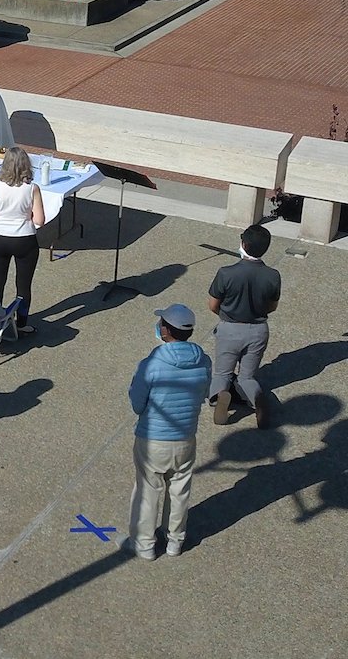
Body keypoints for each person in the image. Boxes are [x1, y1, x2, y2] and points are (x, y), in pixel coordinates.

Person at [126, 304, 211, 560]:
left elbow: (136, 403)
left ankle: (144, 546)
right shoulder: (203, 359)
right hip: (186, 436)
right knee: (180, 490)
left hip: (153, 438)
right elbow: (205, 392)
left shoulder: (152, 363)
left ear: (165, 329)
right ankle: (175, 541)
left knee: (148, 490)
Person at [207, 224, 281, 428]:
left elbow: (213, 304)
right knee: (247, 375)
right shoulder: (273, 275)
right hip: (258, 330)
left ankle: (219, 396)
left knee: (222, 373)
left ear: (243, 244)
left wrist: (225, 315)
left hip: (230, 328)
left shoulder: (226, 273)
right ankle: (256, 399)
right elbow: (272, 306)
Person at [0, 147, 45, 335]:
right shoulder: (32, 189)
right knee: (23, 285)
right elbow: (39, 220)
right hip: (25, 240)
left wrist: (0, 214)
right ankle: (22, 323)